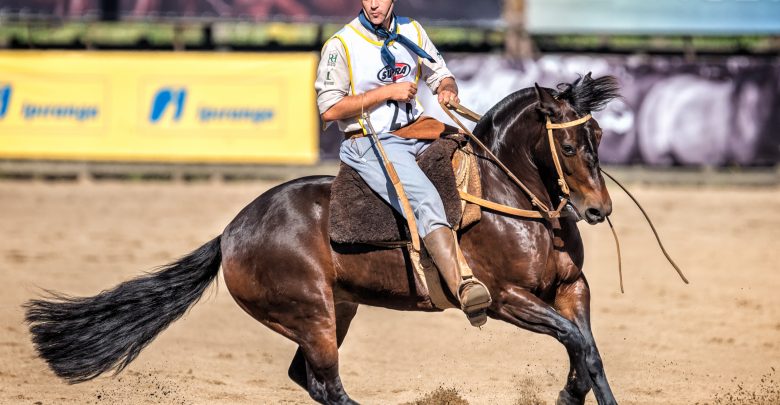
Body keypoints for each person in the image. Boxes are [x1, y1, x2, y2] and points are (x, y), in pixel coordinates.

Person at [314, 0, 491, 324]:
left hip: (418, 129)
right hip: (369, 140)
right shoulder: (341, 44)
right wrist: (386, 92)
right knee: (424, 197)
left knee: (478, 158)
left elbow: (441, 74)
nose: (372, 4)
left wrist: (447, 90)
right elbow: (329, 109)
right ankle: (462, 286)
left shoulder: (412, 30)